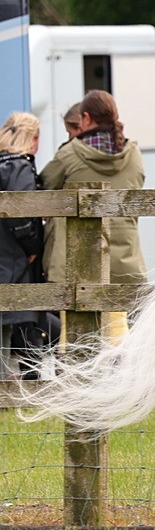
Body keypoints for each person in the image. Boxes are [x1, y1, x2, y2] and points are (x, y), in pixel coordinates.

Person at [42, 92, 147, 338]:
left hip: (77, 259)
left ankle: (79, 375)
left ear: (86, 118)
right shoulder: (134, 155)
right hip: (124, 258)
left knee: (76, 335)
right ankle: (119, 373)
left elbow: (44, 186)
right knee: (117, 330)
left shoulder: (69, 156)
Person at [0, 113, 48, 377]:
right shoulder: (19, 166)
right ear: (34, 138)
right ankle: (25, 383)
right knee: (18, 320)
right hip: (13, 258)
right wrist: (32, 247)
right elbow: (20, 216)